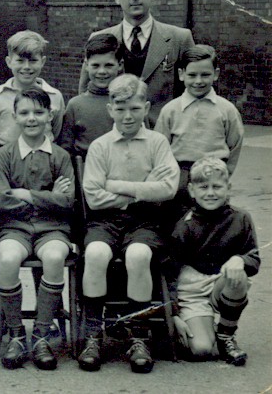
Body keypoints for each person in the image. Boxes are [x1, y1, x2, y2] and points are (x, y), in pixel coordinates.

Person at [78, 74, 179, 374]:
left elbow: (169, 188)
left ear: (146, 107)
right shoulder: (100, 146)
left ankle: (139, 336)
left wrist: (118, 185)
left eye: (134, 108)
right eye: (120, 108)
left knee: (138, 256)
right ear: (110, 109)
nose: (127, 116)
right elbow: (94, 197)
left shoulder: (157, 142)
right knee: (95, 254)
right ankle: (93, 334)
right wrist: (141, 189)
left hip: (146, 221)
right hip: (105, 220)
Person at [0, 89, 74, 371]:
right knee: (8, 258)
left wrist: (24, 193)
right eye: (24, 113)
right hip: (15, 228)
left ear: (50, 116)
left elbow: (67, 202)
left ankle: (41, 334)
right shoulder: (3, 155)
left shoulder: (61, 156)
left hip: (53, 229)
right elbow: (2, 201)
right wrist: (47, 197)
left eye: (38, 112)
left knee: (53, 257)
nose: (31, 119)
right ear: (15, 117)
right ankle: (16, 334)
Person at [169, 157, 259, 365]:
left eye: (217, 186)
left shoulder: (241, 218)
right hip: (192, 291)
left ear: (228, 187)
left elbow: (254, 259)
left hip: (220, 282)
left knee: (239, 274)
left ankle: (226, 335)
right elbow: (169, 273)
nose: (210, 193)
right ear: (192, 190)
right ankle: (188, 332)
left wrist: (240, 259)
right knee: (201, 350)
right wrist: (173, 314)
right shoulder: (184, 226)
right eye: (204, 187)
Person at [78, 0, 195, 127]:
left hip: (164, 133)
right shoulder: (99, 39)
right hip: (113, 132)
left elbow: (192, 91)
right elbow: (86, 91)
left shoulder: (179, 38)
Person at [155, 45, 243, 210]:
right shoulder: (170, 110)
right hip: (180, 175)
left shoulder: (226, 110)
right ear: (181, 75)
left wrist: (224, 174)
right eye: (192, 75)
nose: (198, 81)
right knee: (178, 220)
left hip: (213, 174)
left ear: (215, 74)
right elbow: (160, 146)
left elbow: (235, 144)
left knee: (214, 221)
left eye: (205, 75)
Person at [0, 30, 65, 152]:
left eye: (33, 60)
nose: (26, 67)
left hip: (43, 158)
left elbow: (56, 131)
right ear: (9, 62)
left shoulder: (54, 96)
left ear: (42, 62)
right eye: (20, 61)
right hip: (6, 159)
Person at [57, 34, 123, 159]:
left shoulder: (128, 102)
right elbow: (66, 150)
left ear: (120, 65)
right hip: (84, 173)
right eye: (95, 65)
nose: (102, 71)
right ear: (86, 65)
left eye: (108, 65)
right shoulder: (75, 105)